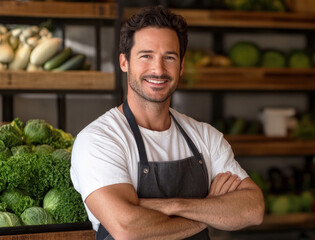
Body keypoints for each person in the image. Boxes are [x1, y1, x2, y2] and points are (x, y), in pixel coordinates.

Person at [70, 5, 264, 240]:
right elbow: (127, 228)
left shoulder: (205, 136)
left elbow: (253, 209)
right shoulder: (100, 139)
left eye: (169, 57)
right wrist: (209, 208)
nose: (158, 69)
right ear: (124, 62)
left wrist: (173, 206)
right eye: (146, 56)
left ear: (181, 66)